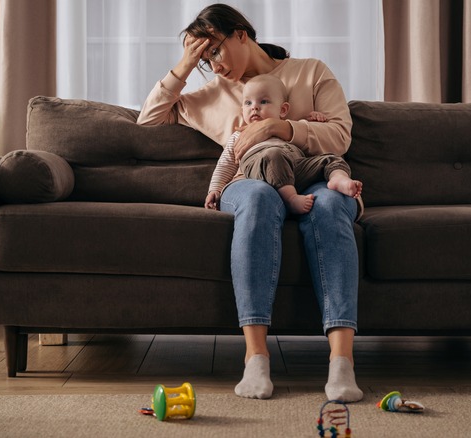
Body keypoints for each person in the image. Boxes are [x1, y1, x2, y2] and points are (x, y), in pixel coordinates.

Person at [137, 3, 363, 402]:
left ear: (242, 33)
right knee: (258, 197)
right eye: (206, 58)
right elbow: (149, 120)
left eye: (215, 51)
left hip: (314, 176)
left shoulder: (311, 71)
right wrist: (186, 65)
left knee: (328, 205)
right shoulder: (213, 95)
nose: (214, 64)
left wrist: (281, 126)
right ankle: (255, 358)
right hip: (251, 181)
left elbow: (340, 136)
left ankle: (341, 362)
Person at [204, 73, 362, 214]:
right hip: (262, 169)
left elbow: (307, 134)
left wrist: (315, 119)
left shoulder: (289, 126)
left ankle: (338, 179)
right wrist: (215, 189)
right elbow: (225, 164)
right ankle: (291, 199)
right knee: (274, 155)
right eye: (248, 103)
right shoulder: (240, 134)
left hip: (294, 169)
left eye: (263, 101)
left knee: (331, 159)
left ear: (283, 110)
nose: (255, 107)